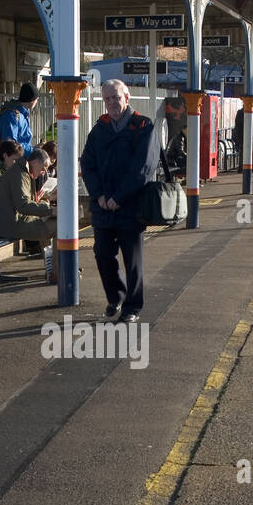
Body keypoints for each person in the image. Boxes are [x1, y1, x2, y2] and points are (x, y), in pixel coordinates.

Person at [79, 78, 159, 323]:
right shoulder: (99, 129)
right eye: (108, 98)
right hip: (103, 207)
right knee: (102, 253)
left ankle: (133, 307)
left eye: (116, 97)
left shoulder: (142, 126)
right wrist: (100, 196)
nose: (112, 102)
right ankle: (116, 296)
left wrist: (118, 197)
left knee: (132, 259)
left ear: (127, 98)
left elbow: (143, 167)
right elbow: (88, 163)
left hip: (131, 206)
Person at [0, 148, 59, 282]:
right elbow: (23, 205)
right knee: (59, 226)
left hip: (8, 222)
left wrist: (48, 201)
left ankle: (55, 267)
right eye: (44, 167)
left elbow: (25, 203)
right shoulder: (20, 175)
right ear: (36, 162)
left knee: (51, 225)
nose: (44, 172)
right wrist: (51, 211)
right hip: (9, 225)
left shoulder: (21, 172)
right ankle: (57, 272)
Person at [0, 83, 39, 154]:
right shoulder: (11, 115)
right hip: (13, 159)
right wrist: (32, 150)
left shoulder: (21, 114)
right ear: (33, 100)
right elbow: (10, 144)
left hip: (19, 156)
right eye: (37, 99)